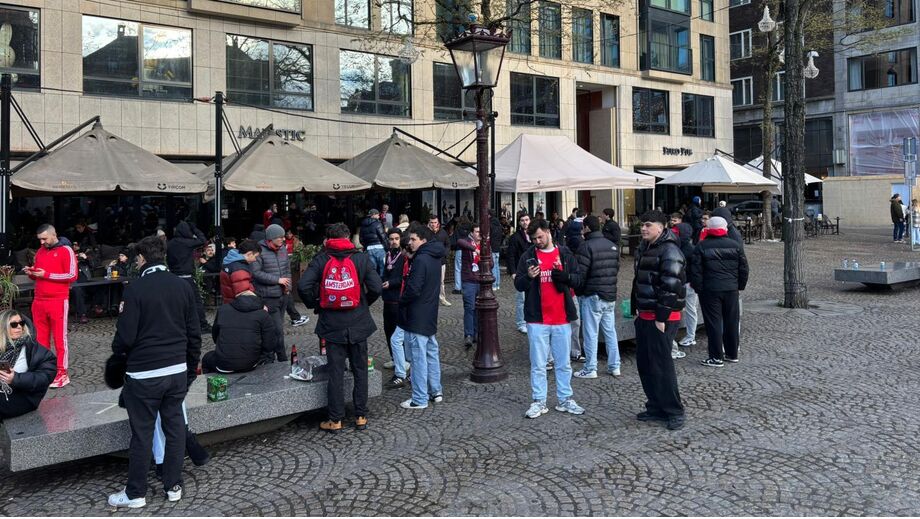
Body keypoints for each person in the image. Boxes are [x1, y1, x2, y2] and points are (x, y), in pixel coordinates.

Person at [108, 236, 201, 508]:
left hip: (144, 374)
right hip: (176, 371)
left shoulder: (135, 289)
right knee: (174, 430)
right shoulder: (183, 286)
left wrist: (119, 356)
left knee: (142, 433)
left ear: (142, 259)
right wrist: (190, 370)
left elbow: (124, 338)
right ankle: (173, 485)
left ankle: (135, 493)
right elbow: (194, 333)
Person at [298, 223, 382, 432]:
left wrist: (316, 304)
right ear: (347, 237)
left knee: (335, 372)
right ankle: (361, 415)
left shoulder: (321, 259)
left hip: (332, 324)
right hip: (358, 322)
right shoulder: (361, 258)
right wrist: (363, 303)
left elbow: (303, 287)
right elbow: (377, 287)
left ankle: (335, 419)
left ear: (328, 239)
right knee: (360, 369)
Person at [515, 219, 585, 419]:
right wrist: (528, 276)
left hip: (562, 317)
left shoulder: (564, 253)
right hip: (537, 319)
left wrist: (565, 277)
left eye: (540, 237)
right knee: (538, 363)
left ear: (548, 232)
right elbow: (519, 285)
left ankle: (565, 399)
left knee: (563, 363)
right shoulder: (528, 257)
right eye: (534, 238)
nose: (537, 241)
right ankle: (539, 400)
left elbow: (578, 280)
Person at [630, 210, 686, 431]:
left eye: (648, 225)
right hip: (645, 314)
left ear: (661, 228)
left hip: (662, 317)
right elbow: (639, 281)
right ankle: (655, 406)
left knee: (662, 366)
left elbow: (670, 286)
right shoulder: (646, 247)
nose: (643, 228)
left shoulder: (671, 250)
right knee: (646, 364)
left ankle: (674, 410)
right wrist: (636, 307)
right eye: (642, 224)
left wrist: (661, 318)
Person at [398, 223, 446, 409]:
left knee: (419, 358)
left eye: (413, 239)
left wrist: (402, 301)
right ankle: (436, 391)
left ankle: (419, 398)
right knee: (431, 353)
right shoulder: (433, 256)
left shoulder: (422, 259)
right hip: (429, 312)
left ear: (423, 240)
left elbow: (414, 288)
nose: (410, 243)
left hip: (418, 314)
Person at [691, 216, 749, 367]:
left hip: (710, 290)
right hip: (731, 289)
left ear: (708, 229)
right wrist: (739, 286)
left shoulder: (702, 246)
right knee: (731, 321)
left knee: (714, 323)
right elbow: (743, 268)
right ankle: (732, 353)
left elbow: (696, 271)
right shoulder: (735, 245)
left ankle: (716, 357)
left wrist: (699, 288)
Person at [24, 224, 77, 388]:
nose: (41, 242)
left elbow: (72, 275)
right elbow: (40, 276)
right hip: (39, 300)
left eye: (44, 238)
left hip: (58, 300)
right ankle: (45, 370)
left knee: (60, 339)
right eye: (39, 239)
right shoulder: (40, 251)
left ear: (54, 235)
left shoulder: (66, 250)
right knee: (40, 339)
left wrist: (44, 274)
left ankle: (62, 373)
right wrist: (32, 273)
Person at [571, 216, 621, 379]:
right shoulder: (612, 246)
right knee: (610, 332)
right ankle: (615, 366)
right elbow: (616, 269)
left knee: (590, 332)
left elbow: (581, 274)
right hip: (609, 294)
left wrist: (579, 292)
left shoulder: (585, 247)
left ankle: (590, 368)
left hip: (592, 295)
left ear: (586, 228)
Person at [202, 290, 276, 373]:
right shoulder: (263, 314)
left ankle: (209, 382)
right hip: (250, 363)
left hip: (224, 364)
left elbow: (215, 335)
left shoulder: (223, 310)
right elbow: (269, 344)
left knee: (206, 359)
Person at [0, 311, 56, 420]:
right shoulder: (2, 347)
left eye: (21, 323)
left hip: (24, 397)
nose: (19, 327)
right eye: (14, 325)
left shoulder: (36, 350)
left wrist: (15, 378)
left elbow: (45, 377)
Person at [252, 224, 293, 362]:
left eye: (283, 236)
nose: (283, 239)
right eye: (280, 237)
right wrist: (277, 280)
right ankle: (281, 358)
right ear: (271, 238)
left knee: (278, 327)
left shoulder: (282, 250)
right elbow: (256, 273)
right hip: (268, 296)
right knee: (276, 330)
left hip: (283, 295)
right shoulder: (259, 250)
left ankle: (270, 356)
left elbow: (287, 269)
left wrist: (288, 286)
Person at [166, 221, 210, 333]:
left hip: (173, 277)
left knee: (176, 303)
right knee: (196, 302)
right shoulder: (187, 242)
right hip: (186, 277)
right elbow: (203, 240)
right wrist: (195, 229)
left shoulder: (170, 243)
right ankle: (203, 325)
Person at [382, 228, 410, 388]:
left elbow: (403, 278)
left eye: (396, 238)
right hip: (387, 298)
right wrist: (383, 281)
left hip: (397, 298)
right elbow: (386, 272)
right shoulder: (388, 254)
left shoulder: (403, 256)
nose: (393, 241)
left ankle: (404, 360)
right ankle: (394, 358)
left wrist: (391, 283)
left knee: (398, 333)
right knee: (388, 330)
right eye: (391, 239)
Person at [673, 222, 699, 353]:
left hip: (686, 283)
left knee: (688, 309)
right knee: (690, 309)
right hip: (687, 283)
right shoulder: (687, 247)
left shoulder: (684, 249)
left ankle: (690, 335)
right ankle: (690, 335)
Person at [506, 212, 532, 334]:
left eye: (527, 220)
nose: (525, 222)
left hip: (534, 270)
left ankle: (531, 320)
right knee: (521, 299)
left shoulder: (534, 235)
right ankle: (521, 322)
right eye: (522, 220)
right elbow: (510, 255)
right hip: (520, 271)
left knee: (533, 296)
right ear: (519, 222)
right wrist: (513, 272)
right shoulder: (515, 237)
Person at [456, 222, 481, 349]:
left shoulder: (484, 244)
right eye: (476, 231)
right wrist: (474, 248)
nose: (479, 234)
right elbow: (459, 242)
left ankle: (476, 333)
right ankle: (469, 335)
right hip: (469, 280)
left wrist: (483, 258)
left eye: (480, 232)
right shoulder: (467, 242)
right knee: (469, 307)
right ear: (472, 232)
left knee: (478, 308)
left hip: (480, 280)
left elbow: (492, 264)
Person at [282, 229, 309, 327]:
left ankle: (295, 318)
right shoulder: (280, 246)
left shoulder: (295, 241)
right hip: (277, 282)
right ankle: (295, 318)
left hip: (281, 281)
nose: (286, 236)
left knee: (287, 298)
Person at [220, 239, 260, 304]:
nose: (255, 260)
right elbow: (243, 293)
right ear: (249, 253)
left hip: (230, 303)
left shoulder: (230, 261)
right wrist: (260, 304)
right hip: (239, 306)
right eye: (255, 256)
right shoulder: (239, 269)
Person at [428, 216, 452, 306]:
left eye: (435, 222)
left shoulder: (443, 232)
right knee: (429, 280)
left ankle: (442, 298)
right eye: (431, 222)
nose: (433, 224)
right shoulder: (427, 233)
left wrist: (445, 253)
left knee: (441, 281)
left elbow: (448, 244)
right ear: (429, 223)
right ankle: (430, 298)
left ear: (438, 223)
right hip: (430, 261)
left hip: (441, 261)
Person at [359, 208, 388, 277]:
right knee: (383, 269)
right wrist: (387, 248)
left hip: (369, 249)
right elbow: (383, 237)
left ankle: (375, 285)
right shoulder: (377, 223)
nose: (379, 217)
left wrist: (366, 246)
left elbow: (361, 239)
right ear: (373, 215)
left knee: (372, 270)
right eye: (378, 215)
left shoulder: (363, 225)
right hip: (380, 248)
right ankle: (382, 285)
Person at [489, 210, 504, 291]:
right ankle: (497, 284)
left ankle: (494, 284)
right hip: (497, 247)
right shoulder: (499, 225)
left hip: (492, 247)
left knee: (493, 266)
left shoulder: (490, 225)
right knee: (497, 266)